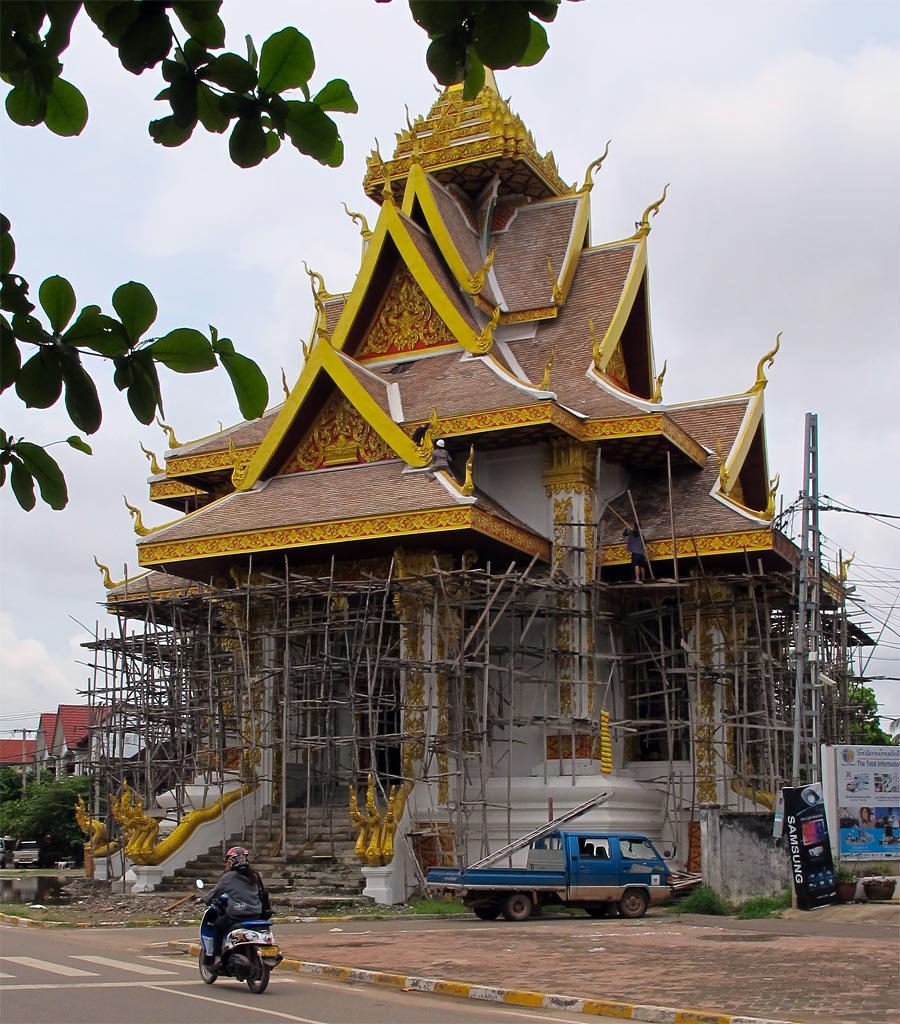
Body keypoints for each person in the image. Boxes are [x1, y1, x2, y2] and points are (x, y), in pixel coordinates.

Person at [204, 846, 271, 966]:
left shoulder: (228, 877)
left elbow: (213, 894)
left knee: (218, 926)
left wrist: (205, 899)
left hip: (237, 916)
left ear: (232, 861)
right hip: (256, 914)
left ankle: (217, 958)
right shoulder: (255, 875)